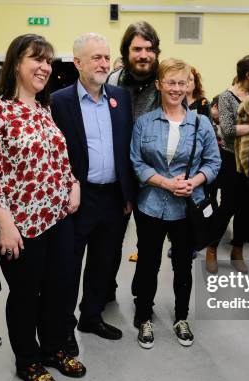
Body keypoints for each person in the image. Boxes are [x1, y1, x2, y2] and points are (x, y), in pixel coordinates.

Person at [0, 34, 86, 381]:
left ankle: (55, 347)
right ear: (15, 63)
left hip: (58, 218)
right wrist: (5, 225)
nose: (44, 67)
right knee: (26, 296)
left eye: (48, 60)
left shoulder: (43, 107)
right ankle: (28, 361)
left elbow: (59, 157)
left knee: (59, 288)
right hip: (21, 225)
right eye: (35, 59)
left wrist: (73, 184)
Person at [50, 33, 135, 353]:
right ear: (78, 63)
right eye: (95, 57)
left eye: (105, 57)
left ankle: (91, 316)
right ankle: (65, 327)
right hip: (77, 198)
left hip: (113, 197)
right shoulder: (59, 101)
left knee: (103, 261)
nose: (103, 63)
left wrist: (128, 193)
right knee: (68, 266)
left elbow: (125, 146)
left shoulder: (120, 97)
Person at [130, 58, 220, 349]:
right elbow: (136, 162)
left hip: (186, 209)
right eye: (171, 82)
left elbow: (213, 162)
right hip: (151, 206)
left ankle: (182, 317)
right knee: (148, 264)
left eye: (183, 82)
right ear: (159, 84)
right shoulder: (144, 122)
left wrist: (194, 183)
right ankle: (144, 317)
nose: (177, 88)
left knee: (183, 265)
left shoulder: (201, 123)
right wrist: (165, 182)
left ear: (189, 86)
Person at [205, 55, 249, 274]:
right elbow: (228, 130)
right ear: (248, 74)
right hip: (230, 158)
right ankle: (212, 249)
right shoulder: (227, 97)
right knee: (228, 206)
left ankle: (237, 252)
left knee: (246, 210)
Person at [106, 21, 162, 284]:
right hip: (117, 177)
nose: (143, 55)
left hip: (154, 178)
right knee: (110, 242)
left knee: (149, 246)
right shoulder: (112, 81)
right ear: (126, 52)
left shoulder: (165, 81)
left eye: (149, 49)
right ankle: (105, 290)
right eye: (137, 48)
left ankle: (143, 301)